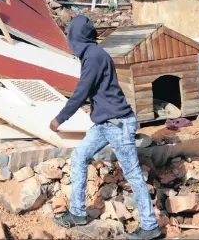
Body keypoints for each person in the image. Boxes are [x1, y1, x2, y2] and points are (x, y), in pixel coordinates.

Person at [50, 16, 161, 240]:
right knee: (80, 156)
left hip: (117, 123)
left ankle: (150, 226)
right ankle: (78, 213)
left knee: (133, 175)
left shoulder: (93, 56)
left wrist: (60, 118)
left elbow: (82, 91)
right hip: (105, 122)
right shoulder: (93, 54)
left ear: (76, 37)